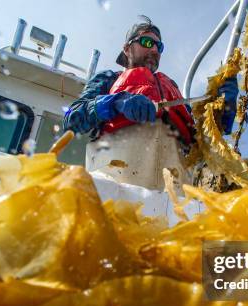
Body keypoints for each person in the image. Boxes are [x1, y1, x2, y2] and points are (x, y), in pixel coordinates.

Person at [63, 16, 238, 189]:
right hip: (115, 192)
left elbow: (204, 143)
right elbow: (71, 120)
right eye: (147, 42)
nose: (155, 49)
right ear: (127, 48)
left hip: (174, 203)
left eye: (159, 46)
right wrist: (116, 102)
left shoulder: (174, 93)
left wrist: (223, 110)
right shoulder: (108, 79)